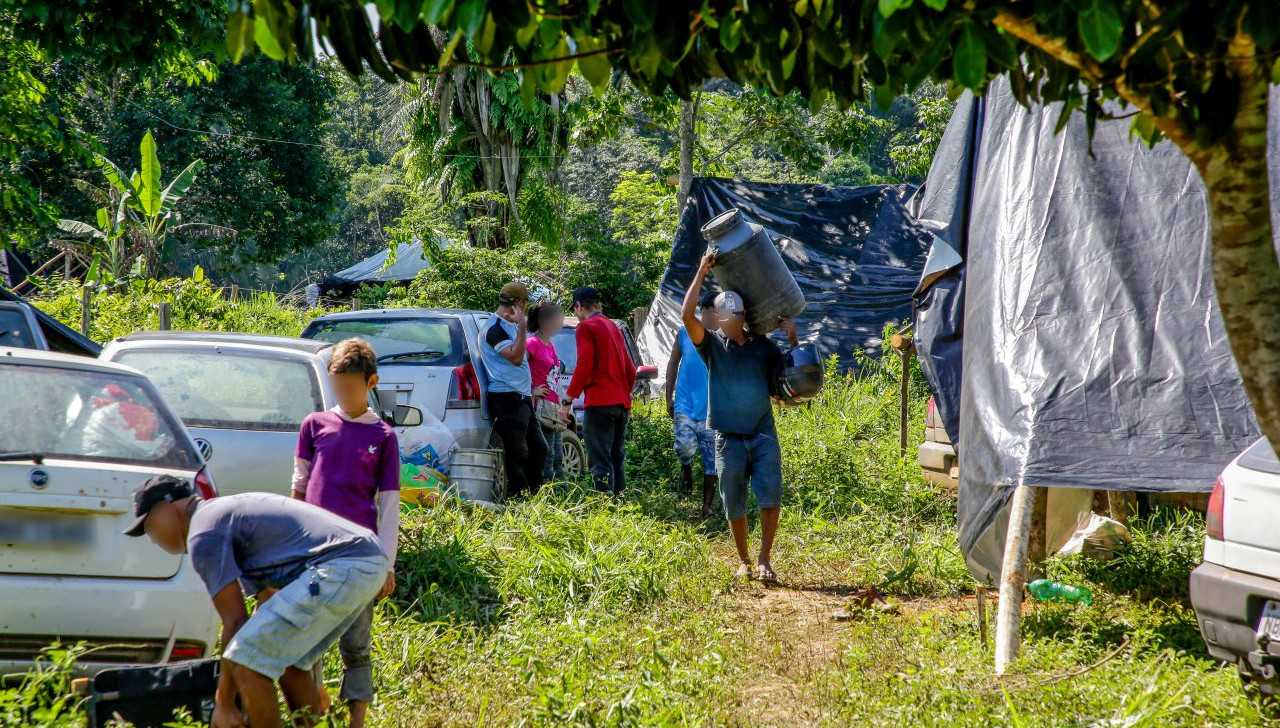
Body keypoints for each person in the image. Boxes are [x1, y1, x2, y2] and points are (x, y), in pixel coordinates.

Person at [126, 477, 387, 728]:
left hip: (344, 562)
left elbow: (236, 622)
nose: (153, 538)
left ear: (165, 509)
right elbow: (267, 602)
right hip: (365, 558)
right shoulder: (222, 517)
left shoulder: (203, 534)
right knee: (288, 660)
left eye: (150, 527)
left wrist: (224, 704)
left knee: (244, 657)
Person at [291, 338, 399, 728]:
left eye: (351, 387)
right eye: (338, 386)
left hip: (358, 557)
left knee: (356, 644)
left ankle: (357, 719)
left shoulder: (383, 437)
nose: (344, 393)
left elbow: (388, 504)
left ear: (371, 382)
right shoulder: (314, 425)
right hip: (315, 555)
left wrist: (387, 564)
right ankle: (312, 714)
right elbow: (299, 487)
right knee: (309, 641)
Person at [682, 251, 799, 581]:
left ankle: (765, 557)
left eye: (732, 317)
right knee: (734, 501)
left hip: (762, 433)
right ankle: (744, 559)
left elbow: (789, 377)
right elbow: (687, 315)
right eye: (722, 318)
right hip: (727, 438)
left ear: (742, 314)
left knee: (770, 495)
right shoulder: (712, 347)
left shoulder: (764, 347)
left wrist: (792, 338)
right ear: (718, 318)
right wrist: (702, 269)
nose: (727, 322)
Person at [562, 286, 637, 494]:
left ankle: (604, 507)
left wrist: (567, 401)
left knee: (600, 459)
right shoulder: (613, 326)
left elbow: (584, 365)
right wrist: (621, 392)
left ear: (579, 306)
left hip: (599, 403)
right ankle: (620, 504)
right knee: (616, 458)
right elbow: (631, 370)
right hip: (621, 403)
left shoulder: (586, 327)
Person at [480, 282, 548, 497]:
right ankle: (518, 496)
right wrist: (521, 326)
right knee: (517, 451)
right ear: (519, 303)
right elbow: (517, 358)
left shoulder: (509, 325)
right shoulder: (494, 329)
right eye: (525, 304)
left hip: (522, 396)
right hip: (506, 396)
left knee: (539, 448)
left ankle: (536, 492)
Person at [666, 291, 720, 516]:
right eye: (711, 312)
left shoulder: (723, 337)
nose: (715, 317)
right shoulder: (684, 333)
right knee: (684, 447)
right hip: (685, 404)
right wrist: (668, 396)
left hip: (712, 408)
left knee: (712, 460)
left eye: (719, 313)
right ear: (703, 311)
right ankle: (686, 467)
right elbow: (672, 363)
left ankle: (706, 506)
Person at [527, 302, 567, 482]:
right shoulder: (532, 344)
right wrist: (531, 390)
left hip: (553, 407)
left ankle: (561, 495)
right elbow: (517, 369)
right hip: (540, 408)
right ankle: (545, 496)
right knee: (547, 456)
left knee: (558, 456)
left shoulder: (550, 344)